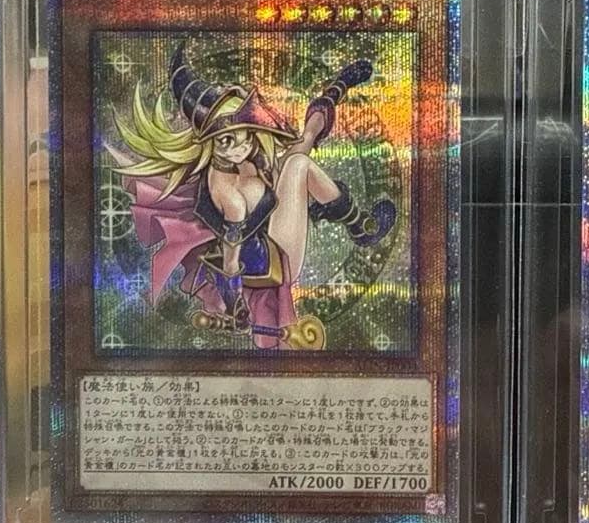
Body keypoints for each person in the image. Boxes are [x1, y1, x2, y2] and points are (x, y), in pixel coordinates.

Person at [108, 42, 396, 350]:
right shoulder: (229, 195)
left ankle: (336, 91)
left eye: (243, 134)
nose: (239, 146)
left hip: (270, 229)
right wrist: (236, 306)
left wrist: (337, 89)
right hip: (275, 262)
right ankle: (361, 227)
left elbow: (295, 145)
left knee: (303, 144)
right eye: (226, 141)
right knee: (298, 164)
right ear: (209, 141)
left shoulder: (246, 159)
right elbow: (231, 262)